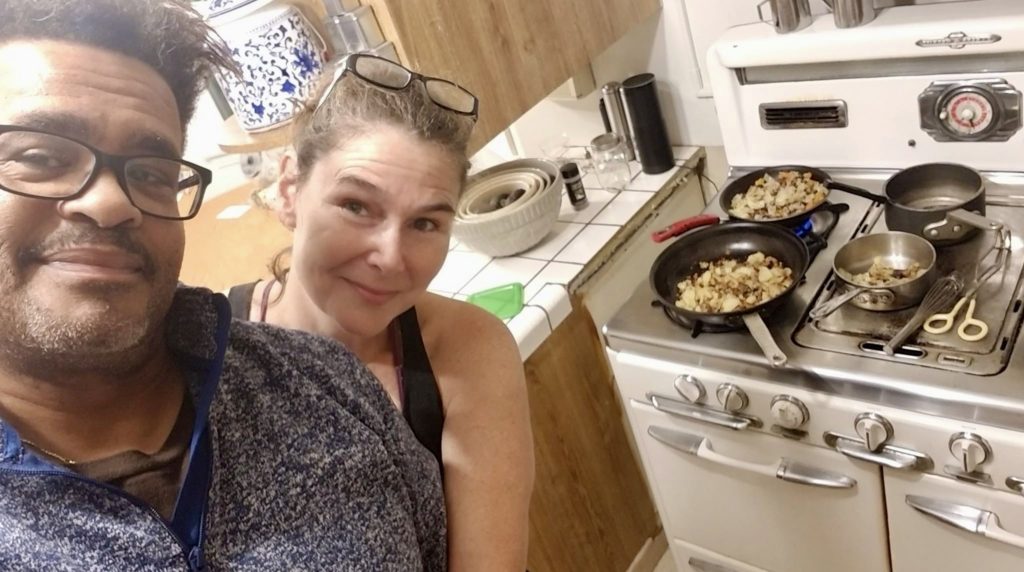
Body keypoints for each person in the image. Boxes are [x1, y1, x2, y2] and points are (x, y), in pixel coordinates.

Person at [0, 1, 446, 569]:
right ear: (290, 190)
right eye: (39, 157)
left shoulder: (324, 385)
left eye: (151, 173)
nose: (110, 201)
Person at [228, 54, 535, 571]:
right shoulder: (214, 355)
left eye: (425, 224)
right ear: (289, 191)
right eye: (356, 206)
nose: (390, 259)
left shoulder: (467, 350)